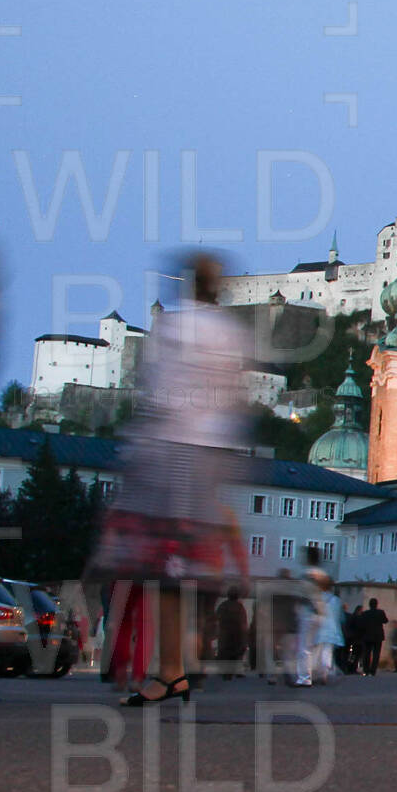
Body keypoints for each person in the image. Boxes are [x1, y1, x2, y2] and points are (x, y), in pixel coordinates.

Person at [85, 251, 250, 707]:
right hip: (211, 457)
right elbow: (234, 403)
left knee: (162, 569)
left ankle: (171, 671)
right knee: (186, 571)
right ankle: (178, 668)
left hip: (173, 454)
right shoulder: (231, 334)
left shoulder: (176, 328)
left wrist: (137, 454)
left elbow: (158, 396)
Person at [353, 596, 388, 679]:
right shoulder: (380, 612)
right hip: (378, 636)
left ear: (369, 605)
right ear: (376, 604)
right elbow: (385, 620)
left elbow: (361, 624)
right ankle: (373, 670)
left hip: (367, 636)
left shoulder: (365, 613)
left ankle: (366, 670)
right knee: (376, 654)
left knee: (367, 653)